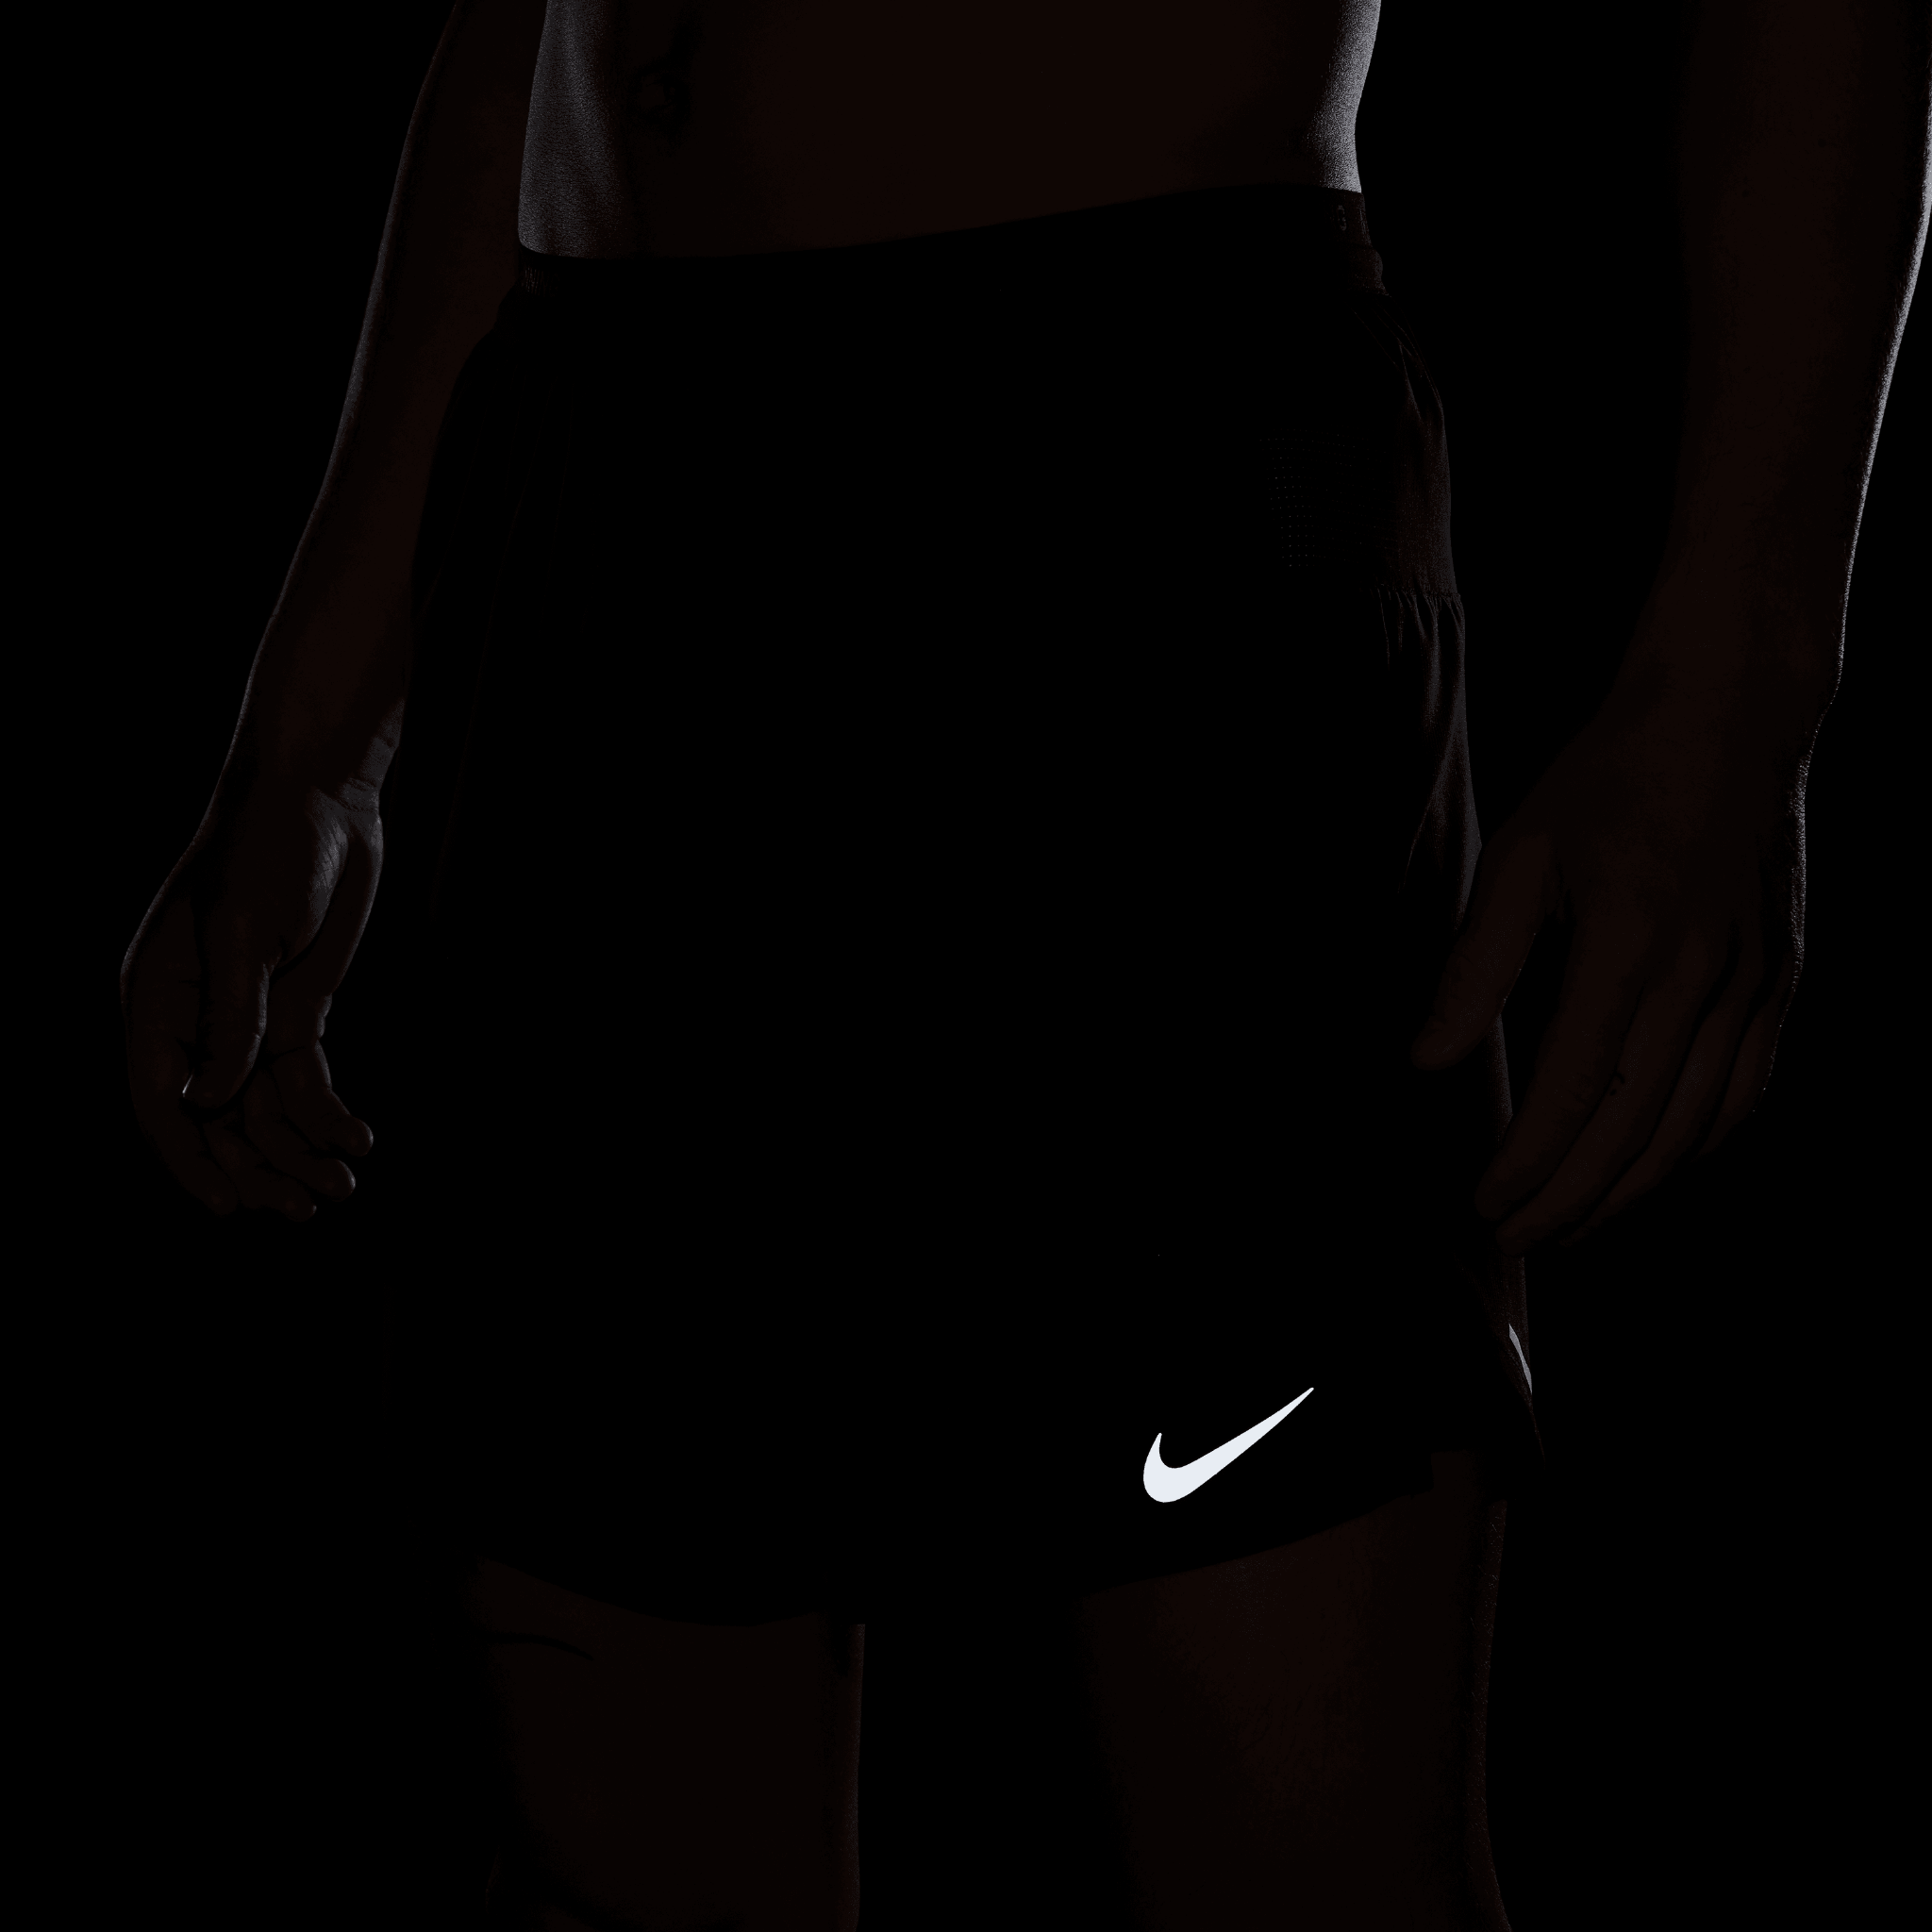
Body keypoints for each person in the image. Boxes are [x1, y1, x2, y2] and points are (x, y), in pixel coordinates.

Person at [120, 2, 1928, 1926]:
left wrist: (1738, 682)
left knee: (1299, 1871)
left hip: (1126, 467)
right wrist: (307, 743)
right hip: (592, 474)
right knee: (621, 1866)